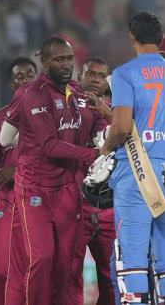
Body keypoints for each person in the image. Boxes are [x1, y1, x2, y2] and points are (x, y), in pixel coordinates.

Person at [5, 35, 105, 303]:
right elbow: (49, 145)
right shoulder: (34, 94)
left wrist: (103, 134)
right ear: (45, 62)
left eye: (69, 59)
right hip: (36, 190)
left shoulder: (77, 93)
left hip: (69, 190)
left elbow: (96, 123)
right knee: (41, 258)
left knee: (68, 265)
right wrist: (95, 154)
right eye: (59, 59)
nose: (66, 64)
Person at [99, 11, 165, 304]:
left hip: (136, 177)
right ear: (161, 39)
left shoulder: (125, 74)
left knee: (134, 258)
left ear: (132, 38)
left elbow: (123, 126)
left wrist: (104, 149)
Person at [0, 57, 37, 305]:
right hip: (7, 200)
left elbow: (56, 151)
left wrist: (17, 169)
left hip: (39, 198)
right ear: (11, 84)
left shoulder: (52, 113)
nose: (25, 80)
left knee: (35, 271)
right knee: (1, 271)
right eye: (19, 77)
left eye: (29, 75)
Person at [71, 56, 116, 305]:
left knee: (110, 276)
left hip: (108, 203)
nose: (97, 80)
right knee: (70, 271)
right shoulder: (66, 104)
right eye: (92, 74)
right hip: (76, 201)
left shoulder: (119, 110)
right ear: (81, 77)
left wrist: (109, 114)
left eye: (102, 76)